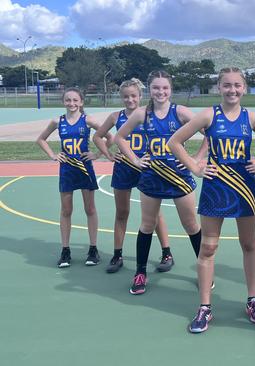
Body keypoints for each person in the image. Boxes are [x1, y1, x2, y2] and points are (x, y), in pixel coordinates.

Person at [168, 67, 255, 333]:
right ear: (219, 87)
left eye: (237, 85)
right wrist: (196, 167)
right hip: (215, 189)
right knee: (208, 248)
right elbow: (175, 141)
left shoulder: (251, 118)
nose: (232, 90)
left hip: (244, 188)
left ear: (245, 88)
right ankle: (204, 307)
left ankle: (252, 300)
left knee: (249, 244)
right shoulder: (208, 115)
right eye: (227, 85)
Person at [115, 70, 207, 295]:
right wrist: (136, 160)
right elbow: (119, 137)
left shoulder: (181, 112)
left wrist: (195, 159)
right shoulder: (141, 114)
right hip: (152, 176)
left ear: (171, 90)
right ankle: (140, 273)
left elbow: (210, 133)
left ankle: (205, 271)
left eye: (165, 88)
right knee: (147, 225)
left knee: (191, 225)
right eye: (156, 87)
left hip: (179, 176)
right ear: (150, 89)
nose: (160, 92)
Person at [93, 78, 173, 274]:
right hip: (124, 169)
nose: (130, 99)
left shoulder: (149, 114)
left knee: (154, 215)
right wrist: (107, 154)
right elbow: (97, 136)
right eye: (126, 96)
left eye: (134, 96)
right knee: (121, 212)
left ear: (140, 96)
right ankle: (117, 254)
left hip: (147, 168)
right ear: (121, 97)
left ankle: (166, 253)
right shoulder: (115, 117)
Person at [36, 87, 103, 268]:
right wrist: (52, 155)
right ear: (63, 102)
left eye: (75, 100)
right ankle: (65, 250)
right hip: (66, 170)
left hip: (85, 168)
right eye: (68, 100)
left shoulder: (87, 120)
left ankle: (93, 249)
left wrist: (96, 155)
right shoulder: (58, 121)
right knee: (66, 210)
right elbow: (41, 139)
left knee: (90, 208)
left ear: (81, 102)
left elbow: (109, 136)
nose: (72, 103)